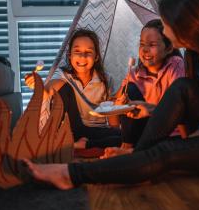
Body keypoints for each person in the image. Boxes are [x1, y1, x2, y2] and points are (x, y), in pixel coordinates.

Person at [22, 0, 199, 190]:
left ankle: (71, 175)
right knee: (184, 88)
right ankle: (138, 156)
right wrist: (151, 117)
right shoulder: (196, 55)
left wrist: (179, 148)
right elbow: (198, 106)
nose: (162, 29)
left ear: (180, 27)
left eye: (165, 24)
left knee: (166, 154)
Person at [74, 19, 185, 150]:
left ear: (168, 48)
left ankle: (123, 148)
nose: (145, 50)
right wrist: (120, 104)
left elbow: (177, 109)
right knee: (129, 93)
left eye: (152, 44)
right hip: (143, 134)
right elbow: (116, 116)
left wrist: (147, 110)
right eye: (142, 44)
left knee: (131, 94)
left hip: (168, 132)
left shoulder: (175, 65)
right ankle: (125, 147)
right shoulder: (135, 73)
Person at [25, 28, 120, 145]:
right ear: (69, 55)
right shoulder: (62, 75)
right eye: (77, 51)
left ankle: (83, 145)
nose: (82, 56)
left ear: (96, 57)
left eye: (88, 52)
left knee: (123, 137)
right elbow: (49, 91)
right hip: (71, 129)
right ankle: (80, 144)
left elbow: (112, 116)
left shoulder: (106, 79)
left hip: (96, 130)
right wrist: (38, 85)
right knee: (64, 87)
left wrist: (117, 132)